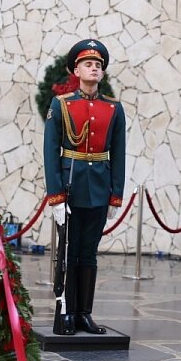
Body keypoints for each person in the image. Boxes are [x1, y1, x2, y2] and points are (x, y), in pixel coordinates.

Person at [44, 39, 126, 335]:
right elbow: (51, 151)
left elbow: (118, 153)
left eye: (98, 65)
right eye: (88, 64)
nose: (94, 69)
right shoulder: (62, 104)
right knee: (69, 252)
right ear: (76, 70)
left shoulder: (113, 108)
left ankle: (84, 314)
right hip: (71, 187)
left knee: (89, 252)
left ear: (102, 73)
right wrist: (55, 196)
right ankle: (66, 312)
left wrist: (115, 196)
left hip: (99, 189)